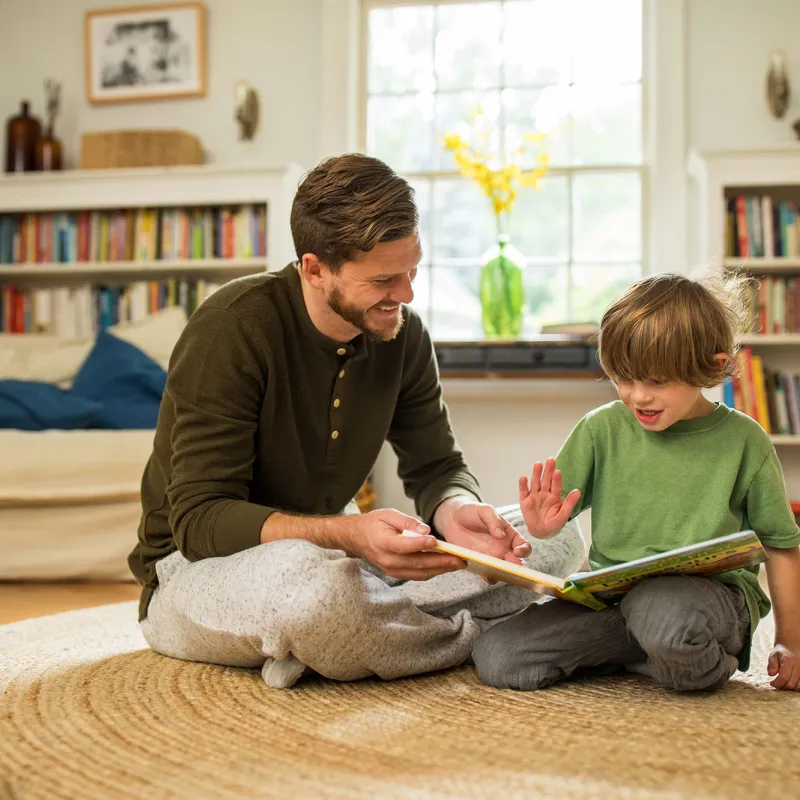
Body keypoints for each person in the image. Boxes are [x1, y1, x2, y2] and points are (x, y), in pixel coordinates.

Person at [127, 153, 585, 688]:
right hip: (197, 571)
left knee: (551, 540)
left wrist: (458, 511)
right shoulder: (232, 329)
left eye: (412, 272)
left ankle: (342, 643)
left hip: (344, 563)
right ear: (315, 269)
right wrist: (349, 537)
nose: (407, 296)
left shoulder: (404, 334)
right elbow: (200, 522)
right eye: (384, 279)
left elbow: (437, 466)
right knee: (316, 595)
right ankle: (482, 635)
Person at [473, 273, 800, 693]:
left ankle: (676, 654)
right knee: (499, 657)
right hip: (615, 600)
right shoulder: (600, 429)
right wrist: (543, 527)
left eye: (657, 381)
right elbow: (555, 513)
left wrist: (789, 642)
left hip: (710, 603)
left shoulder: (745, 440)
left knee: (660, 613)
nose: (637, 396)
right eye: (624, 377)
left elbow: (781, 544)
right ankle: (644, 653)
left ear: (713, 367)